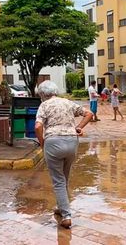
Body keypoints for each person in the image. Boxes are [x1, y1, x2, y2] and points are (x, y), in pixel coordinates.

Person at [35, 80, 93, 229]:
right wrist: (78, 127)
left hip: (53, 143)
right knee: (64, 178)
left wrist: (42, 143)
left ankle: (66, 216)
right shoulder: (67, 102)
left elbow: (38, 126)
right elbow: (89, 114)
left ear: (42, 94)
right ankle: (61, 207)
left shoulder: (44, 105)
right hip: (71, 142)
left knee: (58, 181)